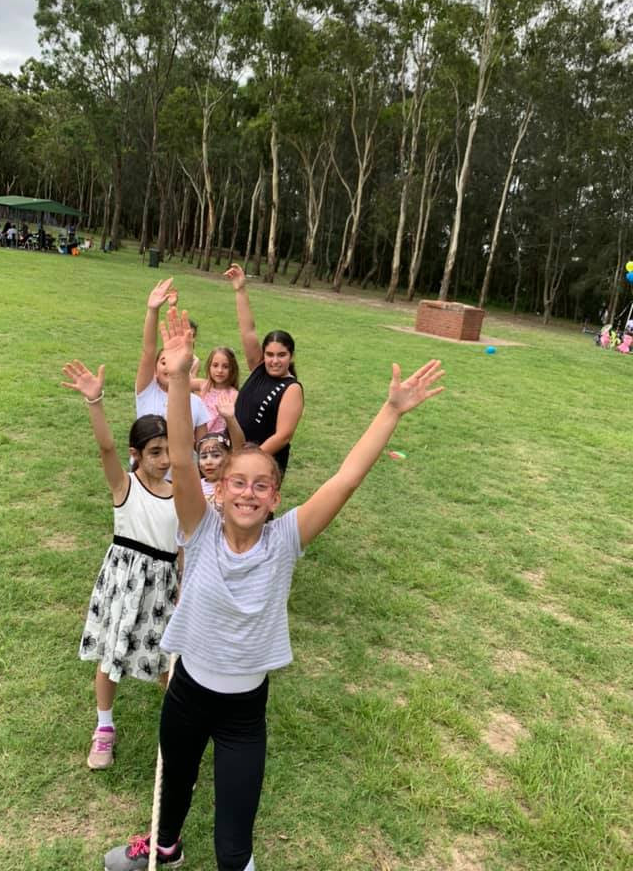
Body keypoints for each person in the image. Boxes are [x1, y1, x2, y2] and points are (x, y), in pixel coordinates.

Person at [103, 307, 444, 871]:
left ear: (275, 498)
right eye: (237, 482)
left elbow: (345, 479)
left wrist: (390, 411)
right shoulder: (199, 527)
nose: (248, 492)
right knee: (174, 786)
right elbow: (182, 458)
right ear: (219, 490)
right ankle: (164, 848)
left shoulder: (286, 539)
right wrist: (180, 373)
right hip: (186, 694)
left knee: (234, 841)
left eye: (262, 485)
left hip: (243, 711)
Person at [61, 359, 181, 771]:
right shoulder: (124, 486)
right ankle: (104, 728)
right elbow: (106, 448)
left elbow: (182, 543)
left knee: (168, 664)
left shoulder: (180, 493)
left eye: (169, 450)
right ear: (136, 455)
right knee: (111, 656)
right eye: (155, 452)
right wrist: (95, 402)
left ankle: (177, 735)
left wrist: (183, 584)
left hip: (163, 584)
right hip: (126, 581)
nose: (164, 459)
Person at [224, 263, 303, 479]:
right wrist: (240, 290)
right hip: (235, 452)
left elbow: (283, 436)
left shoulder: (292, 389)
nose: (274, 361)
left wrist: (250, 460)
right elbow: (248, 331)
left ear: (291, 356)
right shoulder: (259, 367)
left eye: (281, 355)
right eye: (270, 354)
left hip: (261, 464)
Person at [135, 279, 209, 442]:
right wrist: (152, 310)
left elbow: (202, 448)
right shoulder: (147, 391)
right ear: (154, 370)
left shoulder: (196, 403)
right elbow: (148, 351)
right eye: (163, 362)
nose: (169, 367)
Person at [196, 392, 245, 509]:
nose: (208, 461)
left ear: (229, 457)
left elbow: (239, 448)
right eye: (203, 457)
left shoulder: (232, 481)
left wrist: (230, 419)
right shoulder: (195, 486)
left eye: (216, 455)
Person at [191, 347, 240, 435]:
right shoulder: (204, 385)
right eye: (215, 365)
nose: (219, 370)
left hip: (217, 439)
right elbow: (181, 383)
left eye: (225, 367)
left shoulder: (234, 394)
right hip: (197, 434)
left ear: (232, 369)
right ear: (209, 366)